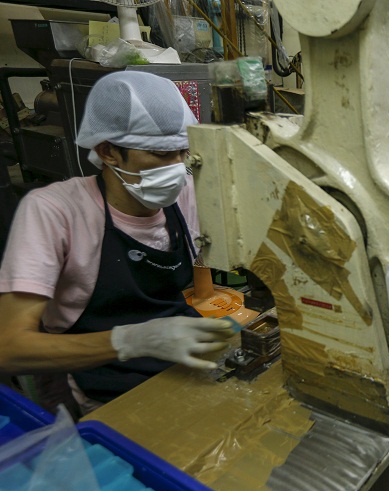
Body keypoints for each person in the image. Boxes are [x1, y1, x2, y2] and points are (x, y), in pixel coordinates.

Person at [0, 71, 235, 410]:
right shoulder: (54, 211)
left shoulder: (186, 194)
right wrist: (132, 340)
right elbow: (9, 348)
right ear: (108, 151)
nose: (176, 168)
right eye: (159, 154)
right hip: (101, 380)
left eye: (182, 152)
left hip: (182, 359)